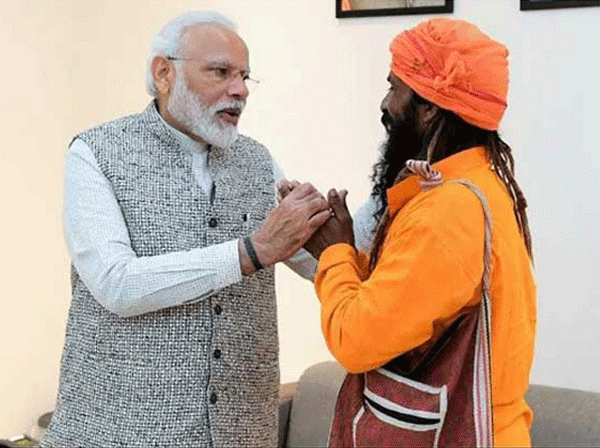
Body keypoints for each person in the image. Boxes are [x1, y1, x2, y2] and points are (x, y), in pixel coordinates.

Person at [41, 11, 333, 448]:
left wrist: (394, 200)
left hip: (241, 433)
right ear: (164, 73)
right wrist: (249, 252)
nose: (240, 90)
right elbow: (117, 284)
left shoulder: (257, 160)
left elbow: (320, 263)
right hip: (117, 434)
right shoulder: (96, 153)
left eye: (244, 77)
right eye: (220, 72)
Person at [292, 18, 536, 447]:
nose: (385, 104)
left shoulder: (447, 211)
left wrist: (336, 255)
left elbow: (355, 340)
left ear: (428, 107)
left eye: (394, 87)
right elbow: (413, 301)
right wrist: (353, 256)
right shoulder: (480, 187)